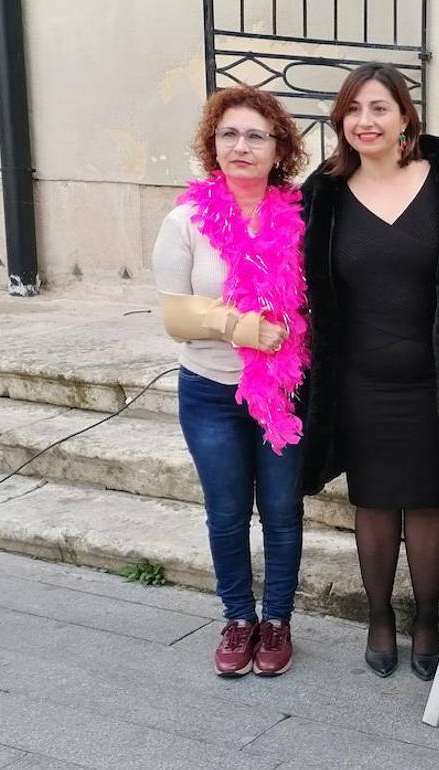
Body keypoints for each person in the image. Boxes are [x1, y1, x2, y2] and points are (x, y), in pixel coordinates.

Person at [298, 63, 439, 681]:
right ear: (341, 119)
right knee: (375, 502)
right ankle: (381, 617)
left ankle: (426, 619)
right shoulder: (323, 193)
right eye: (354, 109)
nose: (366, 121)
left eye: (379, 108)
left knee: (429, 500)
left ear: (405, 116)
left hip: (433, 375)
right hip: (358, 380)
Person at [152, 85, 309, 677]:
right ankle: (239, 618)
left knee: (281, 511)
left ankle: (277, 621)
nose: (241, 146)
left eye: (256, 136)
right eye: (229, 134)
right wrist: (238, 325)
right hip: (210, 393)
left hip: (284, 394)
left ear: (279, 149)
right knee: (225, 511)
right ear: (213, 145)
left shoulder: (300, 217)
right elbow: (175, 317)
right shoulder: (186, 220)